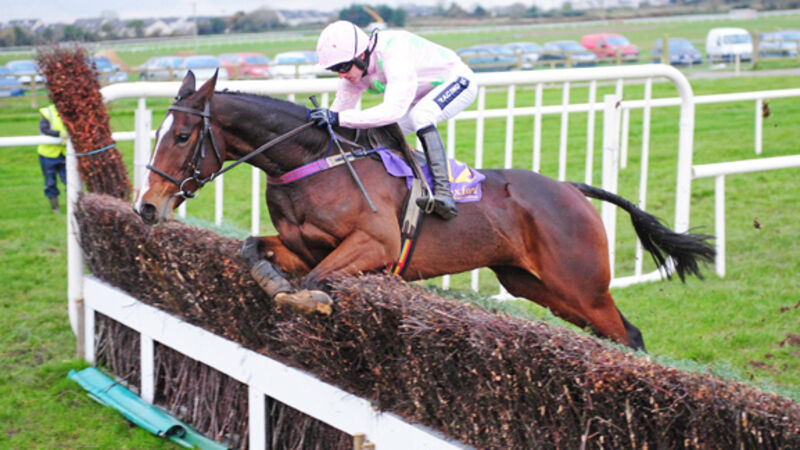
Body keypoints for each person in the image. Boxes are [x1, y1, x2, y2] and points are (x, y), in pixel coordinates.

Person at [311, 20, 478, 220]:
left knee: (421, 115)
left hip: (457, 81)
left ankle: (444, 192)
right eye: (335, 69)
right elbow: (337, 115)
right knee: (375, 134)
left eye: (343, 67)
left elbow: (393, 111)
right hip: (419, 96)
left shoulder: (394, 51)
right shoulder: (354, 71)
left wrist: (338, 118)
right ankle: (414, 184)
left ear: (361, 55)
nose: (341, 75)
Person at [37, 104, 67, 213]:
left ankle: (73, 206)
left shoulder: (72, 110)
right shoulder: (48, 112)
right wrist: (59, 134)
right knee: (50, 182)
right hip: (48, 154)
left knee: (70, 181)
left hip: (66, 154)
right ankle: (55, 208)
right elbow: (44, 129)